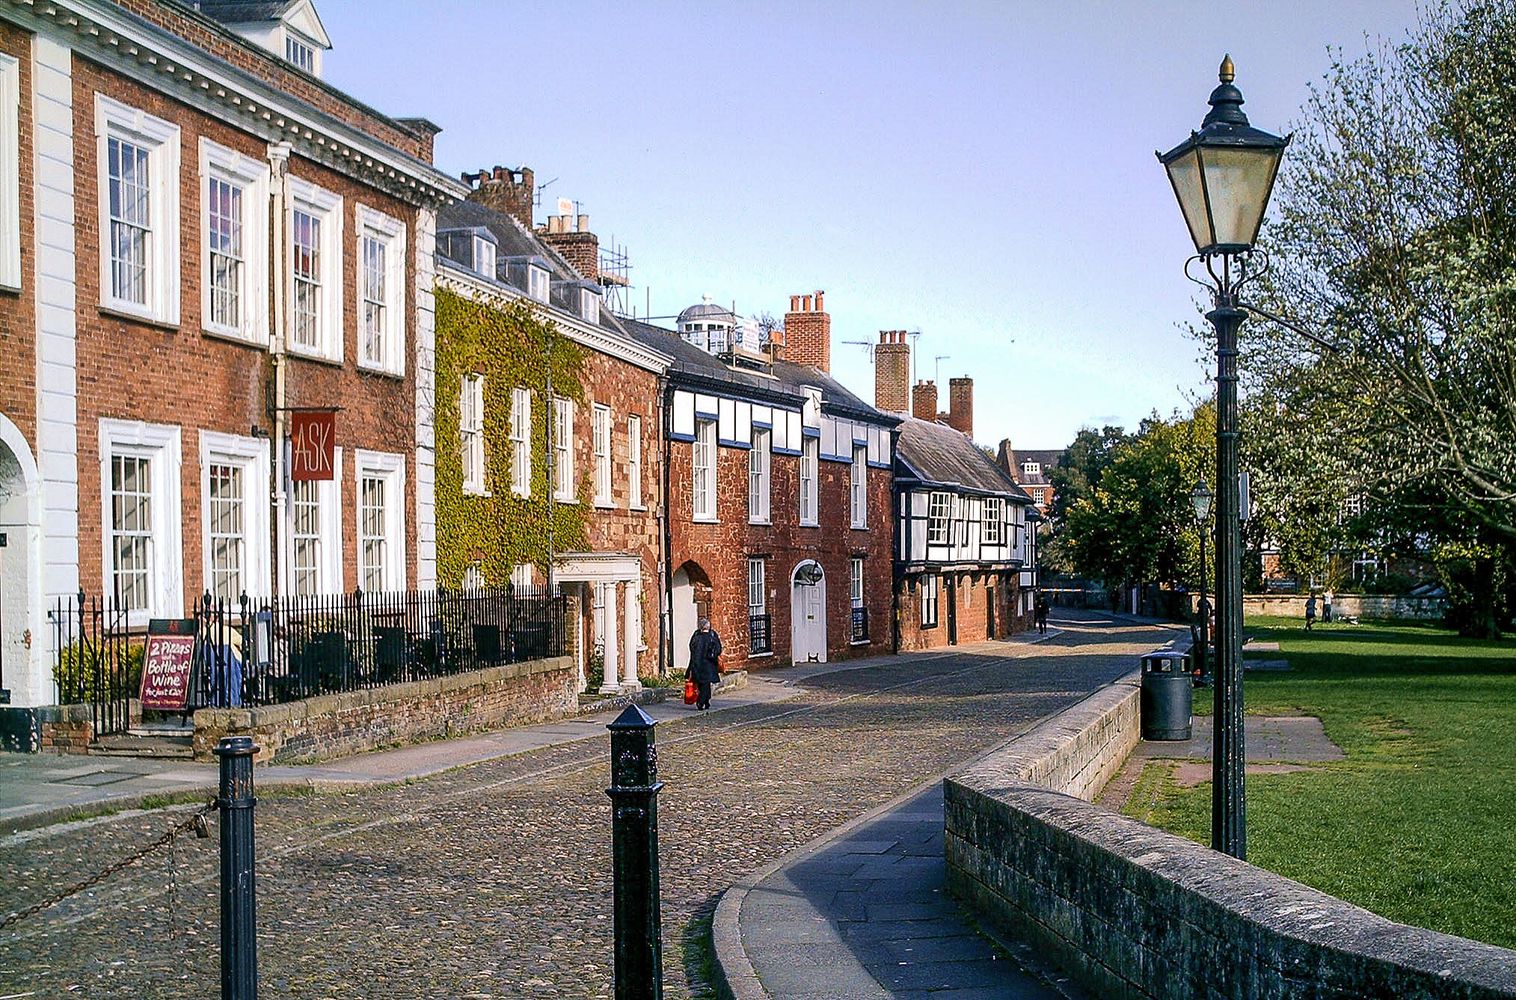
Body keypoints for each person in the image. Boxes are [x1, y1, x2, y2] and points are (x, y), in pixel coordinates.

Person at [686, 618, 723, 710]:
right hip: (709, 663)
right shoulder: (712, 635)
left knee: (702, 684)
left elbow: (691, 648)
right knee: (706, 684)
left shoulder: (696, 636)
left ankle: (705, 701)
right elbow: (718, 649)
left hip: (697, 663)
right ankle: (702, 702)